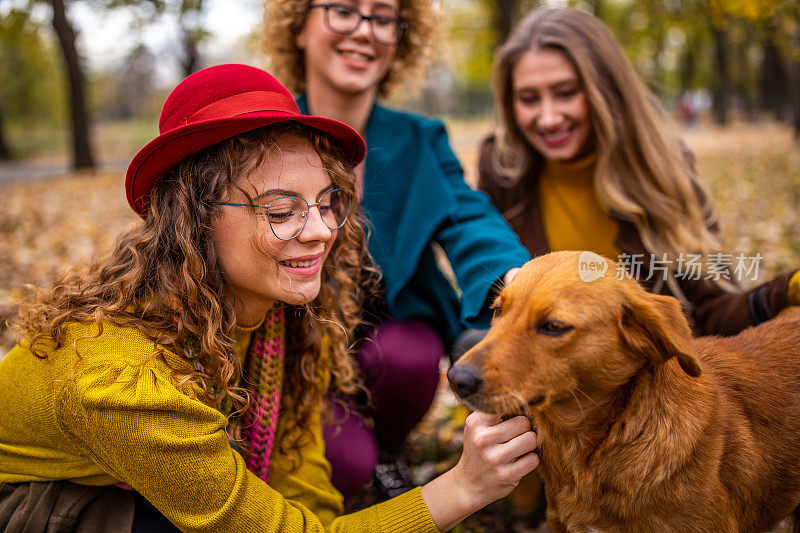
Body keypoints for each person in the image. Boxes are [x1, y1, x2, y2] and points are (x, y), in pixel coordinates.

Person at [0, 63, 540, 532]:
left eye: (327, 202)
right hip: (35, 504)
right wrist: (462, 489)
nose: (321, 231)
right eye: (281, 211)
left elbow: (303, 491)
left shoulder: (279, 317)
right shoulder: (122, 380)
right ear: (194, 221)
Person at [263, 0, 531, 499]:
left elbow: (466, 215)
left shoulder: (419, 139)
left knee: (409, 356)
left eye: (382, 17)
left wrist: (512, 278)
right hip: (290, 348)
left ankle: (387, 447)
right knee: (341, 467)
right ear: (298, 27)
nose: (365, 31)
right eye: (343, 11)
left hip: (385, 342)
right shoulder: (264, 131)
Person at [478, 7, 800, 337]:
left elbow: (711, 308)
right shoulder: (502, 168)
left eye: (565, 93)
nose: (548, 118)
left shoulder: (662, 166)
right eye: (529, 99)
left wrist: (780, 293)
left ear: (606, 90)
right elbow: (491, 289)